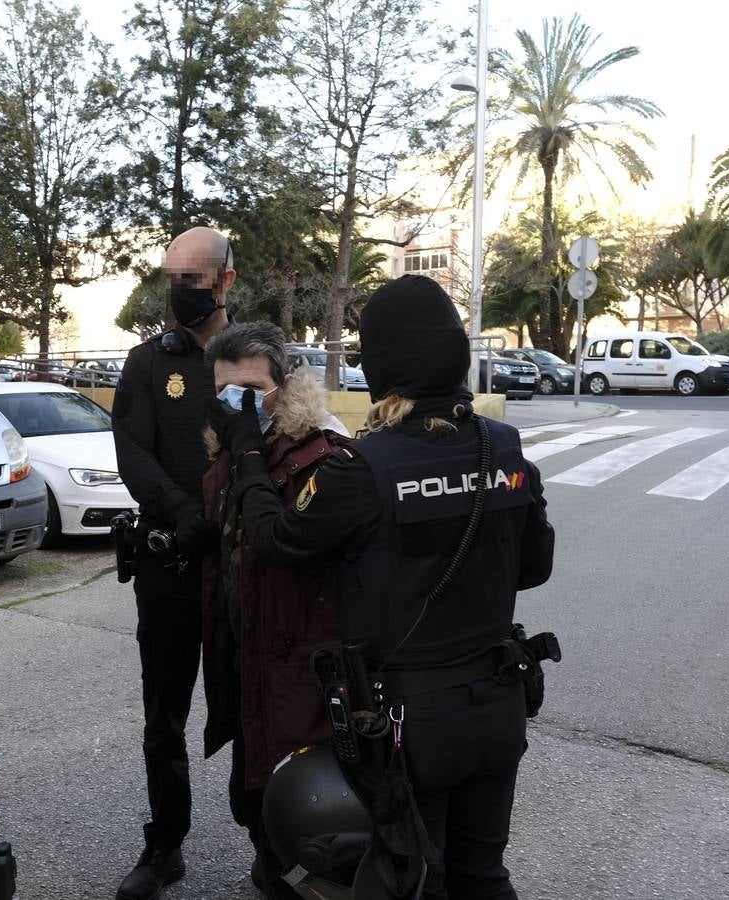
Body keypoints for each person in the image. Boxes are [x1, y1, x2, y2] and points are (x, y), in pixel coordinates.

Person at [208, 274, 555, 900]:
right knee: (483, 875)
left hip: (410, 726)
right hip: (499, 705)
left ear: (382, 365)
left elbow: (277, 540)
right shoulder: (504, 447)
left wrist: (248, 456)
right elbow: (533, 569)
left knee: (413, 878)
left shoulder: (361, 468)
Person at [199, 322, 353, 898]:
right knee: (251, 796)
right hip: (246, 659)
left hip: (301, 667)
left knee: (301, 807)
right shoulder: (228, 459)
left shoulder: (321, 453)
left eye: (251, 390)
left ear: (284, 386)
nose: (237, 406)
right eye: (224, 393)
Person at [111, 225, 235, 900]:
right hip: (169, 565)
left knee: (255, 706)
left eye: (193, 279)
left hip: (243, 567)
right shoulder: (146, 362)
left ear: (225, 282)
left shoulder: (258, 357)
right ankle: (166, 844)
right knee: (164, 717)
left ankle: (275, 844)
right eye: (172, 279)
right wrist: (185, 516)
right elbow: (132, 450)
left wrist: (221, 517)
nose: (180, 292)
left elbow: (285, 446)